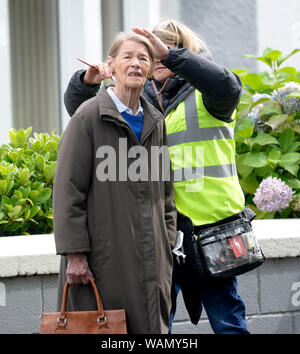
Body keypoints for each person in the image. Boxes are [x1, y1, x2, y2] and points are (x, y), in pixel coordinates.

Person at [63, 20, 250, 334]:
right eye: (153, 52)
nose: (158, 58)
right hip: (162, 232)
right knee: (158, 324)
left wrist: (174, 57)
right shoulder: (142, 100)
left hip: (211, 231)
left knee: (228, 322)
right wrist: (85, 81)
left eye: (167, 51)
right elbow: (86, 113)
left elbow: (229, 85)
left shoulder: (209, 96)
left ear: (182, 55)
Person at [53, 32, 177, 334]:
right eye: (128, 57)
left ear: (149, 71)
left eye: (143, 59)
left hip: (152, 258)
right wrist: (76, 254)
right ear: (111, 65)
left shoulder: (155, 121)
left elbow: (166, 191)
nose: (136, 64)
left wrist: (168, 241)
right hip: (103, 260)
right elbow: (68, 190)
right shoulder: (89, 116)